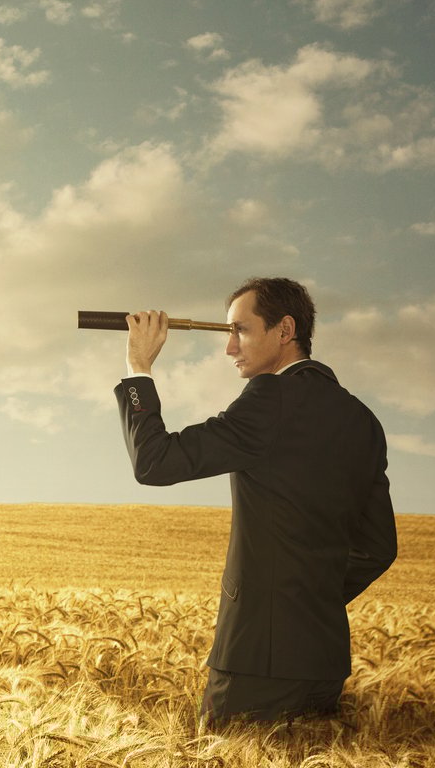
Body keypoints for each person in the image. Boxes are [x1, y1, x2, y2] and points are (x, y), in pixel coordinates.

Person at [114, 277, 396, 733]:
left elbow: (154, 462)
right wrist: (307, 599)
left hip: (254, 662)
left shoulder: (271, 396)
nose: (229, 348)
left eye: (240, 331)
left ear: (285, 331)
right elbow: (379, 547)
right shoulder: (364, 420)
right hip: (323, 661)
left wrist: (138, 367)